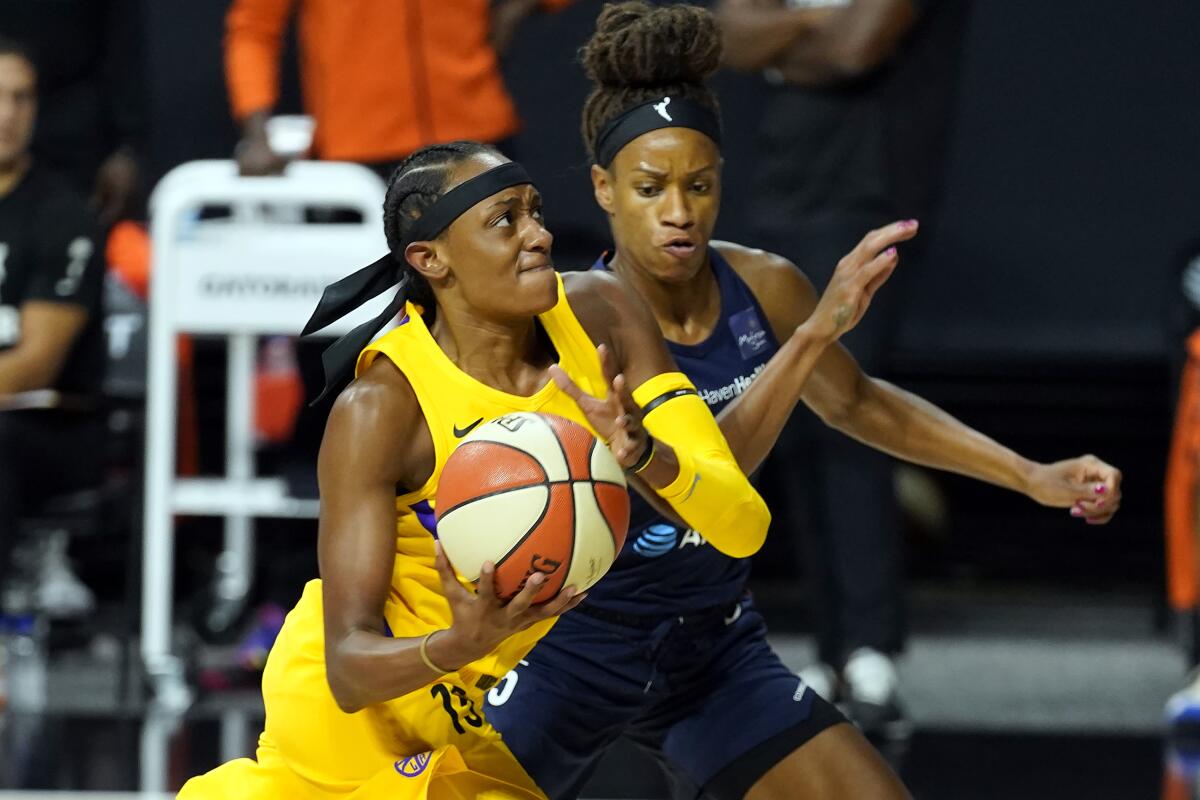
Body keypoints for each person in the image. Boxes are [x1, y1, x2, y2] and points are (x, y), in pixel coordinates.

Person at [483, 5, 1122, 799]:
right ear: (603, 190)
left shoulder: (764, 283)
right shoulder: (580, 313)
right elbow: (697, 487)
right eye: (650, 189)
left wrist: (1030, 474)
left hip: (708, 651)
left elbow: (861, 406)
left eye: (699, 185)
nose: (679, 212)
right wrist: (811, 339)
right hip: (576, 650)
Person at [178, 141, 772, 798]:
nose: (540, 235)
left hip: (459, 724)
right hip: (344, 729)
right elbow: (347, 667)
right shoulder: (382, 408)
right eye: (505, 221)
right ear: (432, 259)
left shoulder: (601, 314)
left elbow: (741, 526)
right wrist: (460, 643)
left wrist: (642, 454)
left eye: (535, 212)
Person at [715, 0, 974, 728]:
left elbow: (857, 48)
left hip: (868, 188)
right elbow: (730, 33)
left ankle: (872, 650)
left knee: (850, 414)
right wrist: (812, 29)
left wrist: (787, 34)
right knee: (793, 411)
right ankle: (832, 650)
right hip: (780, 189)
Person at [0, 38, 107, 613]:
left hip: (50, 424)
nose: (8, 114)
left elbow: (33, 364)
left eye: (21, 98)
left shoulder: (63, 213)